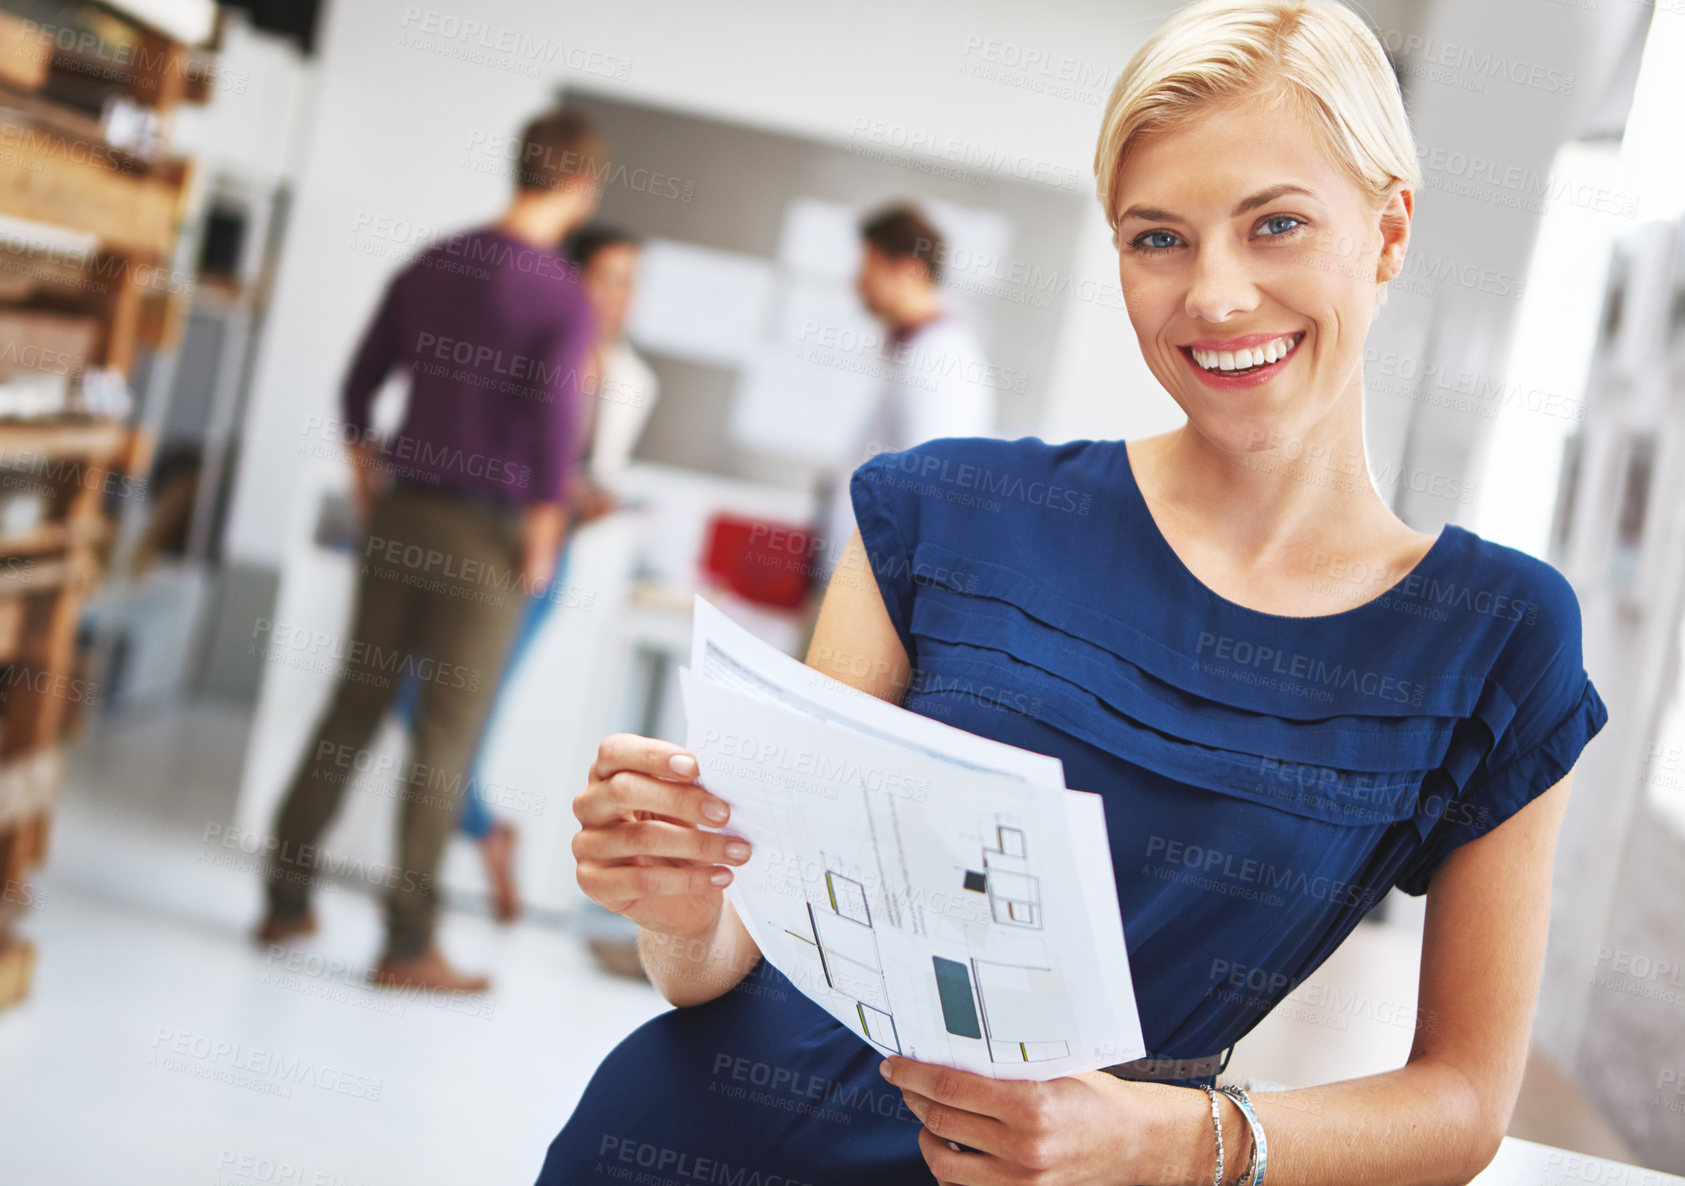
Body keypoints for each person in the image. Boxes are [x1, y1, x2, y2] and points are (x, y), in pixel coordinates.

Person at [539, 1, 1610, 1182]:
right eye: (1157, 238)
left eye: (1276, 224)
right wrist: (674, 903)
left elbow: (1460, 1105)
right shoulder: (945, 514)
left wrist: (1172, 1143)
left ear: (1389, 227)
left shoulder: (1492, 640)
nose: (1212, 295)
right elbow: (726, 956)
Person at [253, 108, 605, 995]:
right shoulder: (563, 297)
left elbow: (357, 385)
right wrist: (544, 533)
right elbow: (554, 429)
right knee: (445, 738)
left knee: (353, 706)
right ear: (580, 186)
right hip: (486, 536)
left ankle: (284, 897)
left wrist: (372, 483)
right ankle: (408, 946)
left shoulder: (434, 261)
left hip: (404, 513)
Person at [384, 225, 659, 929]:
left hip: (541, 554)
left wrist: (585, 500)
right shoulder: (530, 343)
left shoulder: (631, 382)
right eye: (606, 278)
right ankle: (484, 830)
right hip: (488, 535)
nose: (618, 297)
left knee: (469, 707)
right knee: (419, 704)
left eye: (629, 282)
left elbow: (596, 475)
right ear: (573, 279)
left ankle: (469, 846)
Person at [813, 203, 998, 582]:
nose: (857, 282)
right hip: (861, 578)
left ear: (909, 269)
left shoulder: (942, 358)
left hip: (882, 584)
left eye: (868, 267)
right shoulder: (911, 347)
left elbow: (935, 493)